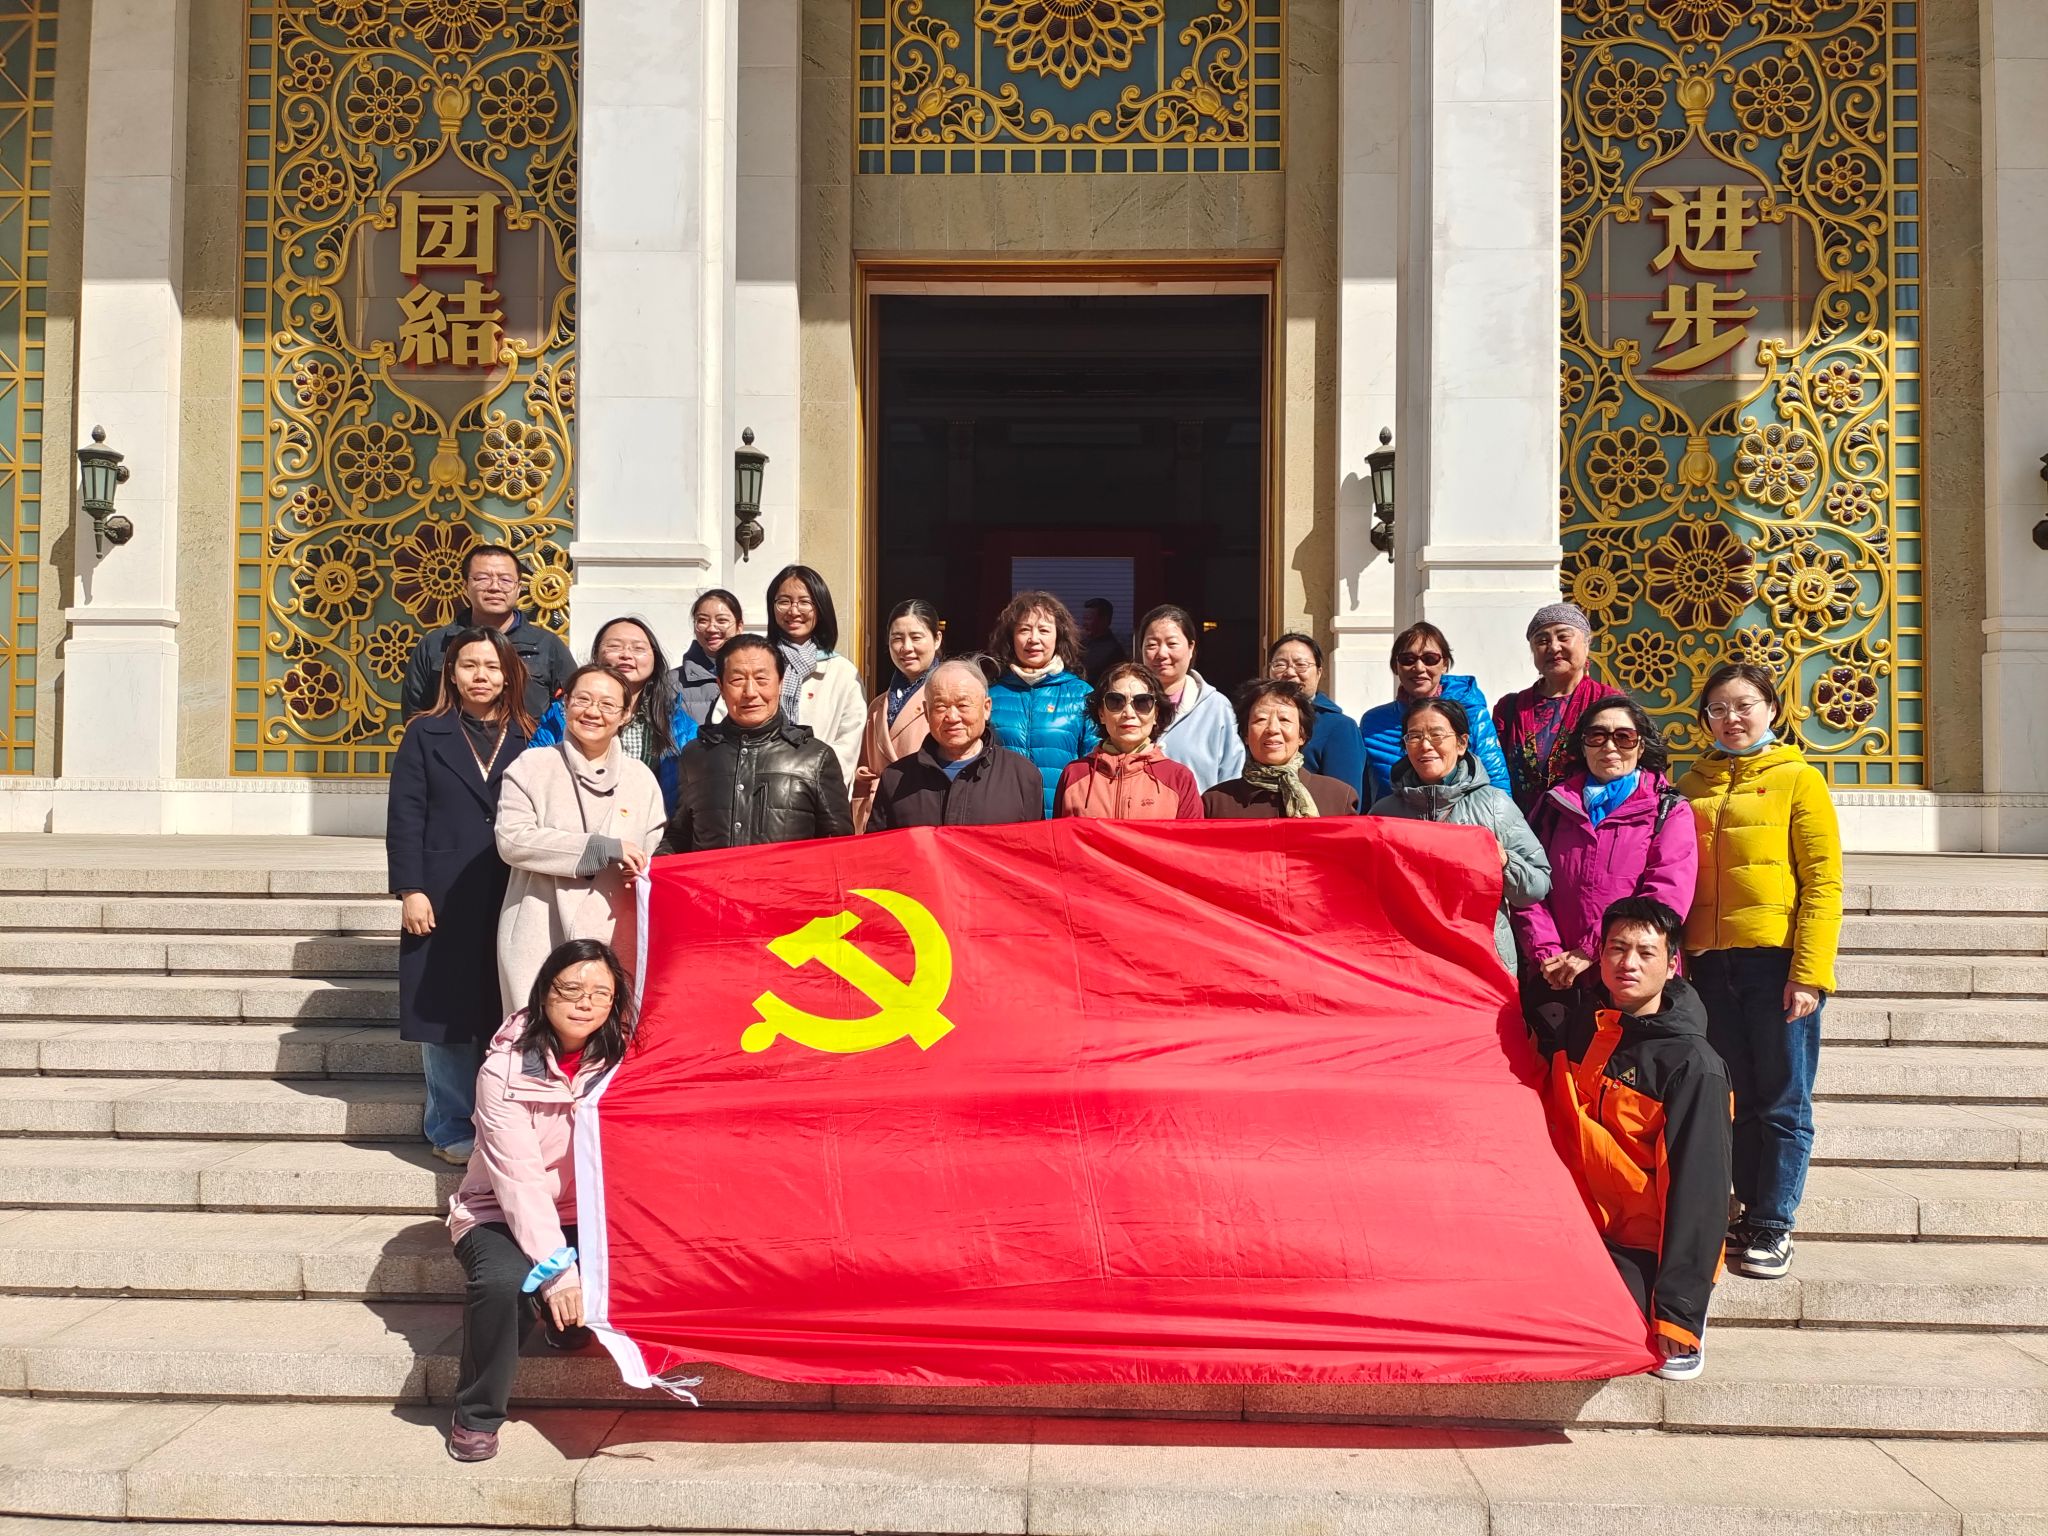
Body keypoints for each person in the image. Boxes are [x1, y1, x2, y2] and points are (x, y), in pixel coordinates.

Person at [445, 938, 636, 1462]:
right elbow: (520, 1182)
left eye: (600, 992)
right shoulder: (502, 1071)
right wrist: (558, 1272)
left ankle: (565, 1322)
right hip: (498, 1212)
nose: (585, 1003)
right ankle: (476, 1413)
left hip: (592, 1211)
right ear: (544, 992)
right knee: (502, 1284)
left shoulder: (626, 1058)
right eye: (571, 989)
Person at [1680, 662, 1842, 1283]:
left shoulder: (1799, 779)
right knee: (1734, 1096)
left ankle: (1774, 1221)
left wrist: (1810, 972)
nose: (1732, 718)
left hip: (1775, 963)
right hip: (1709, 965)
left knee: (1781, 1097)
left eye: (1744, 705)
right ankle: (1746, 1212)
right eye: (1718, 708)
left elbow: (1823, 883)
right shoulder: (1690, 785)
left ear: (1771, 710)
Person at [1541, 898, 1732, 1384]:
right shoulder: (1583, 1024)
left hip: (1636, 1245)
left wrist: (1678, 1310)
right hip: (1571, 1223)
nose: (1628, 963)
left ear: (1671, 965)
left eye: (1646, 953)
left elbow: (1700, 1193)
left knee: (1591, 1326)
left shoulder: (1694, 1067)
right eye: (1617, 949)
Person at [386, 628, 535, 1165]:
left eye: (492, 667)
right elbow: (405, 816)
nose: (481, 676)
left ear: (509, 675)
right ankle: (450, 1123)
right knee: (445, 1012)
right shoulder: (425, 733)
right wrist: (411, 889)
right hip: (442, 892)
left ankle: (501, 1119)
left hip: (511, 890)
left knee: (504, 1007)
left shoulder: (530, 735)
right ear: (451, 672)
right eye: (470, 665)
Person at [494, 663, 667, 1013]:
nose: (592, 712)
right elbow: (512, 840)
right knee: (539, 1031)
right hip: (539, 927)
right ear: (566, 704)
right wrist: (600, 848)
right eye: (582, 700)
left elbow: (653, 849)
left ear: (625, 714)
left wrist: (643, 868)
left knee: (610, 1033)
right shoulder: (532, 766)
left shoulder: (641, 778)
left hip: (615, 931)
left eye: (607, 704)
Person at [1512, 696, 1698, 1018]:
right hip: (1561, 979)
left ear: (1641, 746)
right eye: (1597, 736)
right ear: (1582, 746)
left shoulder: (1667, 811)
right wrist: (1548, 954)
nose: (1610, 746)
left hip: (1634, 979)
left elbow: (1664, 899)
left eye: (1624, 737)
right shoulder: (1553, 807)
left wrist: (1591, 949)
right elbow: (1527, 885)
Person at [1368, 697, 1550, 971]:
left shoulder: (1494, 805)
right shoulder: (1384, 814)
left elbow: (1537, 887)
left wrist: (1504, 862)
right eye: (1414, 736)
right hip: (1409, 961)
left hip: (1481, 962)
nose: (1425, 745)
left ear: (1462, 743)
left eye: (1437, 734)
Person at [658, 634, 854, 854]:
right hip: (712, 878)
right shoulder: (696, 755)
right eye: (737, 680)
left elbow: (839, 847)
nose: (750, 692)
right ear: (720, 686)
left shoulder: (814, 757)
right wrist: (656, 864)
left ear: (780, 684)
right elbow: (680, 834)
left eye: (761, 679)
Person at [528, 617, 699, 813]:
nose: (626, 655)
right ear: (596, 655)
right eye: (615, 646)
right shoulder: (562, 714)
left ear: (654, 659)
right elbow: (534, 772)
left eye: (638, 648)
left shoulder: (678, 723)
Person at [401, 544, 576, 722]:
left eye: (505, 580)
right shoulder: (436, 644)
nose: (494, 587)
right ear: (465, 585)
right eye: (483, 578)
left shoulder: (546, 645)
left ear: (518, 588)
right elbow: (415, 715)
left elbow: (571, 708)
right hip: (450, 740)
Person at [867, 659, 1044, 831]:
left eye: (963, 705)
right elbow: (880, 848)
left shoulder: (1022, 775)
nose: (952, 717)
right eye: (941, 706)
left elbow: (1035, 847)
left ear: (986, 708)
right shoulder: (896, 779)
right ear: (927, 712)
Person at [1492, 602, 1626, 814]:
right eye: (1542, 641)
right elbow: (1493, 771)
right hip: (1519, 827)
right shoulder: (1510, 708)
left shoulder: (1609, 703)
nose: (1554, 647)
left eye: (1563, 637)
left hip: (1586, 824)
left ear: (1586, 644)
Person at [1358, 622, 1512, 805]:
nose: (1419, 667)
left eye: (1430, 659)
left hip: (1464, 818)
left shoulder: (1471, 712)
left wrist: (1498, 816)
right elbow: (1366, 789)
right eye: (1408, 659)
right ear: (1396, 666)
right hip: (1395, 819)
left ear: (1444, 664)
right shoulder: (1374, 722)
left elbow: (1496, 778)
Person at [988, 590, 1101, 817]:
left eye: (1044, 630)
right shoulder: (991, 696)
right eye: (1024, 630)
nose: (1033, 639)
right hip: (1004, 818)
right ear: (1011, 637)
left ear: (1058, 636)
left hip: (1061, 818)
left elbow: (1097, 765)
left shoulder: (1081, 695)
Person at [1055, 661, 1204, 820]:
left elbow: (1192, 836)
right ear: (1101, 713)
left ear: (1156, 714)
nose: (1128, 713)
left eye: (1142, 702)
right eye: (1115, 701)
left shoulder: (1179, 779)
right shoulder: (1074, 774)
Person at [767, 563, 866, 796]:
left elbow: (849, 742)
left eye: (804, 602)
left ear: (820, 608)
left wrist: (804, 783)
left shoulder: (842, 672)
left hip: (819, 795)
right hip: (763, 791)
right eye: (784, 601)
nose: (794, 611)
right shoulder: (757, 663)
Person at [1202, 679, 1358, 819]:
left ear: (1302, 735)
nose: (1272, 729)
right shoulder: (1215, 803)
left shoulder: (1339, 798)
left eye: (1284, 720)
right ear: (1246, 735)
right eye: (1261, 719)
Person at [851, 599, 942, 833]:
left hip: (926, 816)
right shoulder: (877, 705)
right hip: (880, 818)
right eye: (897, 638)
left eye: (916, 637)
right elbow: (864, 769)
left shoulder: (946, 699)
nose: (906, 647)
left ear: (937, 639)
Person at [1139, 604, 1244, 791]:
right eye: (1152, 645)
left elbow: (1232, 773)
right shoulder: (1125, 704)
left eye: (1172, 644)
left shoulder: (1216, 707)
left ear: (1191, 647)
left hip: (1199, 810)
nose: (1161, 653)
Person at [1264, 633, 1367, 809]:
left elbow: (1344, 801)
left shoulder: (1339, 726)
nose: (1290, 672)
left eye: (1301, 665)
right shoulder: (1258, 722)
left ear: (1319, 672)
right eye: (1280, 664)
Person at [677, 589, 743, 725]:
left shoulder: (759, 676)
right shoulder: (672, 683)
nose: (711, 629)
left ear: (739, 626)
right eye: (702, 620)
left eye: (722, 620)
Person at [1079, 597, 1126, 682]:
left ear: (1104, 620)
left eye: (1089, 619)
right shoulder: (1082, 643)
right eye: (1084, 618)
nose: (1084, 623)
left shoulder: (1113, 651)